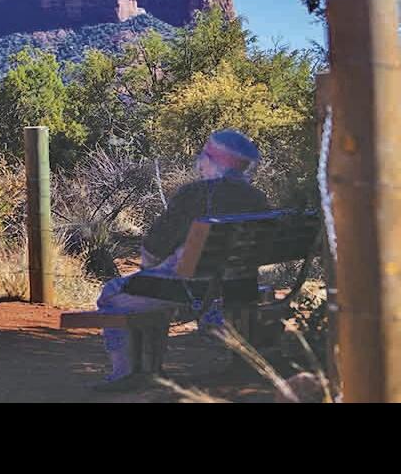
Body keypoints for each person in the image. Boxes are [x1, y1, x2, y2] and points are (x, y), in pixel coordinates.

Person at [95, 129, 270, 391]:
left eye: (205, 156)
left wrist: (149, 272)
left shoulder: (194, 194)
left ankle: (127, 373)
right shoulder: (256, 198)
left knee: (112, 292)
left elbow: (154, 247)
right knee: (153, 286)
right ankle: (150, 369)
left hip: (191, 290)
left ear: (212, 161)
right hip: (238, 287)